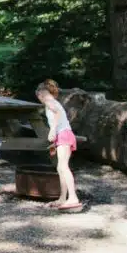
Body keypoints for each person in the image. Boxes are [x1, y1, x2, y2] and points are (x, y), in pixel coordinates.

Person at [36, 78, 80, 210]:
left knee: (63, 167)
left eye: (38, 97)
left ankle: (73, 198)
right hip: (63, 135)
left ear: (41, 94)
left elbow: (57, 113)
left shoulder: (49, 101)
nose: (39, 100)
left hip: (64, 134)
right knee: (60, 167)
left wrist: (53, 130)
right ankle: (63, 197)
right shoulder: (53, 101)